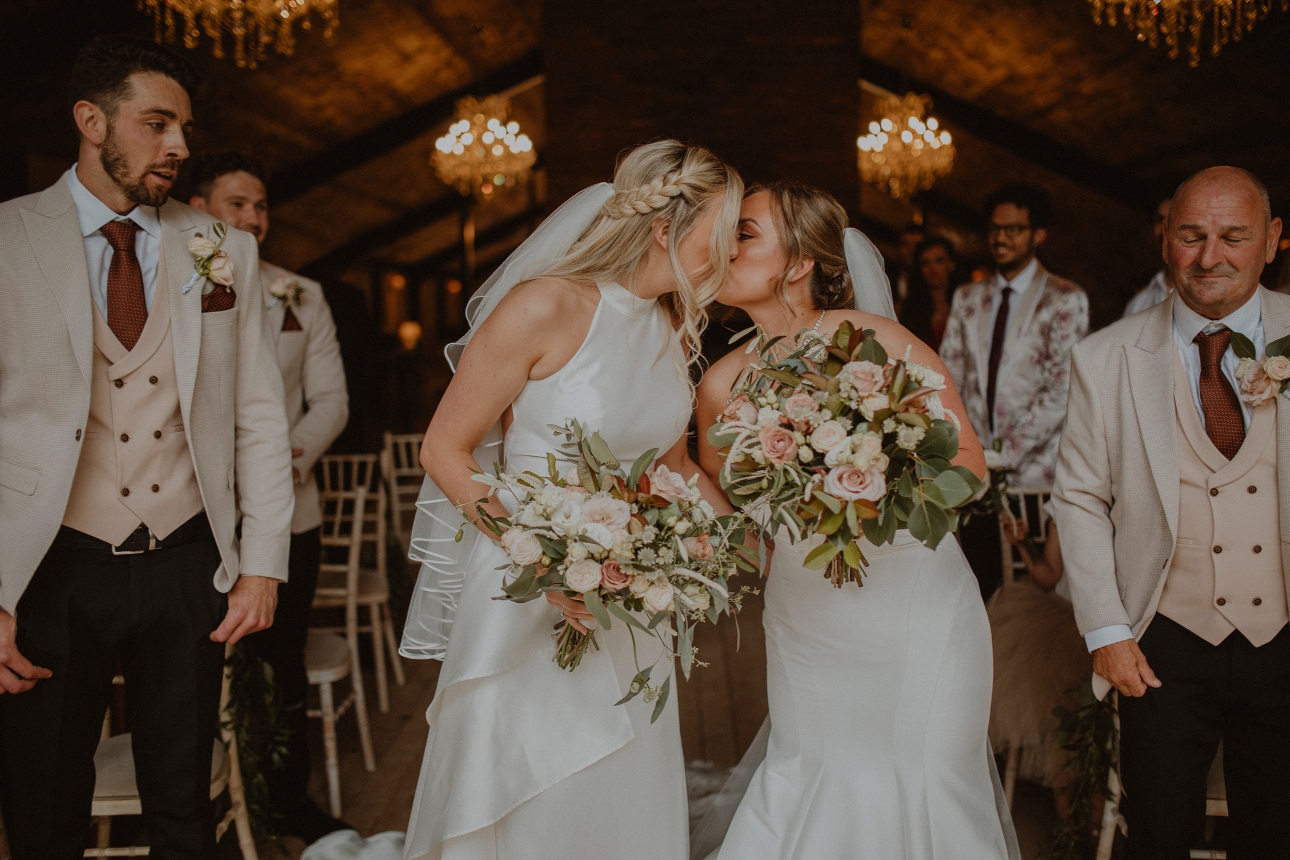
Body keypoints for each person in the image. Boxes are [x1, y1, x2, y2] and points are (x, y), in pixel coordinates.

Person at [400, 140, 743, 860]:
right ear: (664, 230)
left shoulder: (671, 326)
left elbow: (673, 465)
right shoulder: (546, 305)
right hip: (527, 589)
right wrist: (547, 562)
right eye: (723, 231)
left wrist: (752, 539)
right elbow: (444, 451)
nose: (729, 253)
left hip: (628, 600)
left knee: (616, 791)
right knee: (529, 792)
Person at [0, 35, 293, 859]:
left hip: (187, 559)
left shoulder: (224, 246)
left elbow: (259, 415)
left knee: (183, 805)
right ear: (90, 120)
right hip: (46, 565)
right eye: (157, 124)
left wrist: (263, 561)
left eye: (185, 129)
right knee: (45, 808)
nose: (178, 148)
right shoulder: (7, 239)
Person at [690, 183, 1018, 859]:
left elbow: (970, 468)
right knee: (814, 775)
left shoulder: (881, 343)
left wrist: (861, 492)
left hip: (914, 605)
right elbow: (727, 499)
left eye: (744, 233)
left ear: (800, 262)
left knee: (927, 782)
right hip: (809, 614)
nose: (723, 248)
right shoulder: (721, 383)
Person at [1054, 166, 1289, 858]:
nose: (1209, 256)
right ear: (1165, 240)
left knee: (1278, 834)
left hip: (1285, 636)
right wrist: (1106, 630)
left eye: (1233, 236)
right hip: (1161, 640)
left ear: (1273, 241)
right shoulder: (1104, 358)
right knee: (1157, 833)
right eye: (1191, 235)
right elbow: (1079, 496)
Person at [189, 151, 350, 843]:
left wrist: (283, 460)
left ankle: (288, 800)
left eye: (259, 206)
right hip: (193, 515)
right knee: (194, 669)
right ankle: (207, 808)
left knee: (280, 662)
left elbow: (332, 402)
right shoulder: (178, 281)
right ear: (200, 209)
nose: (253, 217)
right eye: (237, 204)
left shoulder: (301, 293)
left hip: (290, 511)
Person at [940, 181, 1088, 599]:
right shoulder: (967, 297)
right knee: (980, 582)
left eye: (1014, 229)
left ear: (1038, 235)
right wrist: (966, 447)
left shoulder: (1065, 299)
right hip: (971, 467)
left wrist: (1004, 455)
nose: (1000, 237)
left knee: (1033, 589)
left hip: (1033, 472)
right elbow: (947, 375)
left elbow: (1063, 388)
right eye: (995, 228)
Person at [988, 508, 1092, 818]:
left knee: (1104, 733)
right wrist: (1023, 544)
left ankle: (1099, 830)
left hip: (1116, 625)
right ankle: (1067, 828)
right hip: (1063, 624)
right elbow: (1048, 578)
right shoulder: (1064, 504)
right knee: (1061, 719)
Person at [901, 234, 957, 352]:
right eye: (925, 263)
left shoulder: (964, 304)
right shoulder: (909, 309)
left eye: (939, 261)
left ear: (951, 264)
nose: (933, 268)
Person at [1123, 196, 1174, 317]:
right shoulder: (1141, 302)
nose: (1164, 228)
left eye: (1173, 220)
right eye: (1159, 220)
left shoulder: (1208, 296)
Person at [886, 221, 926, 313]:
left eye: (917, 245)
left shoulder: (930, 282)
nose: (911, 250)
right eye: (905, 244)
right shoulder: (887, 277)